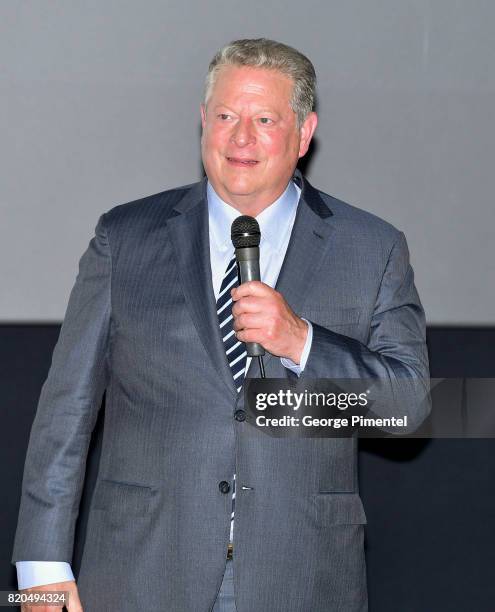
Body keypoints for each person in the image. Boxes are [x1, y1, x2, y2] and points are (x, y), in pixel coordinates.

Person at [12, 38, 430, 611]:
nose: (241, 138)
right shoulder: (126, 237)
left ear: (304, 134)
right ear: (202, 120)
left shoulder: (371, 247)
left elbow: (407, 408)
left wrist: (300, 342)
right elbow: (65, 412)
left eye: (264, 119)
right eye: (227, 116)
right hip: (142, 573)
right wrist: (39, 571)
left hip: (303, 579)